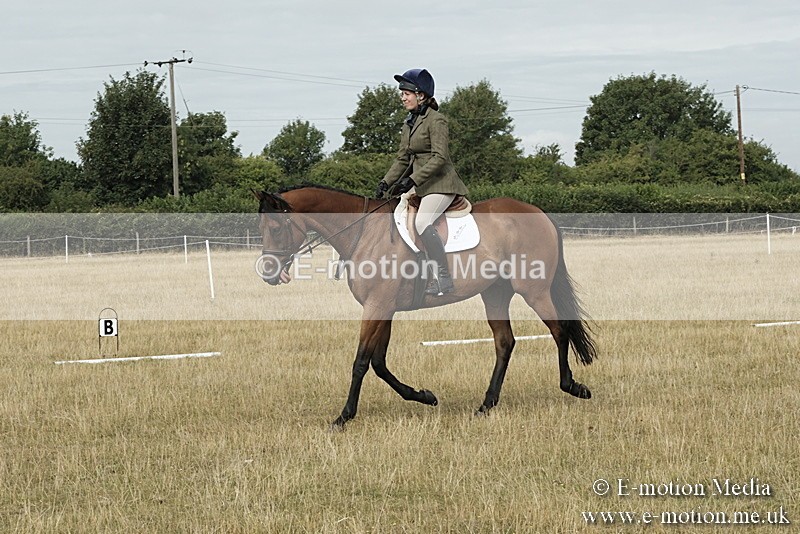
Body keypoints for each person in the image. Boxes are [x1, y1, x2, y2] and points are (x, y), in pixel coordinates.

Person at [374, 68, 469, 295]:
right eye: (402, 93)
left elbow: (440, 158)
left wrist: (412, 180)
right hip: (422, 185)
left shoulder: (437, 121)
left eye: (407, 93)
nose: (402, 97)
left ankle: (444, 277)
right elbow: (403, 158)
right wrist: (386, 182)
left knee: (421, 223)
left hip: (441, 185)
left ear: (422, 95)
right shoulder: (409, 123)